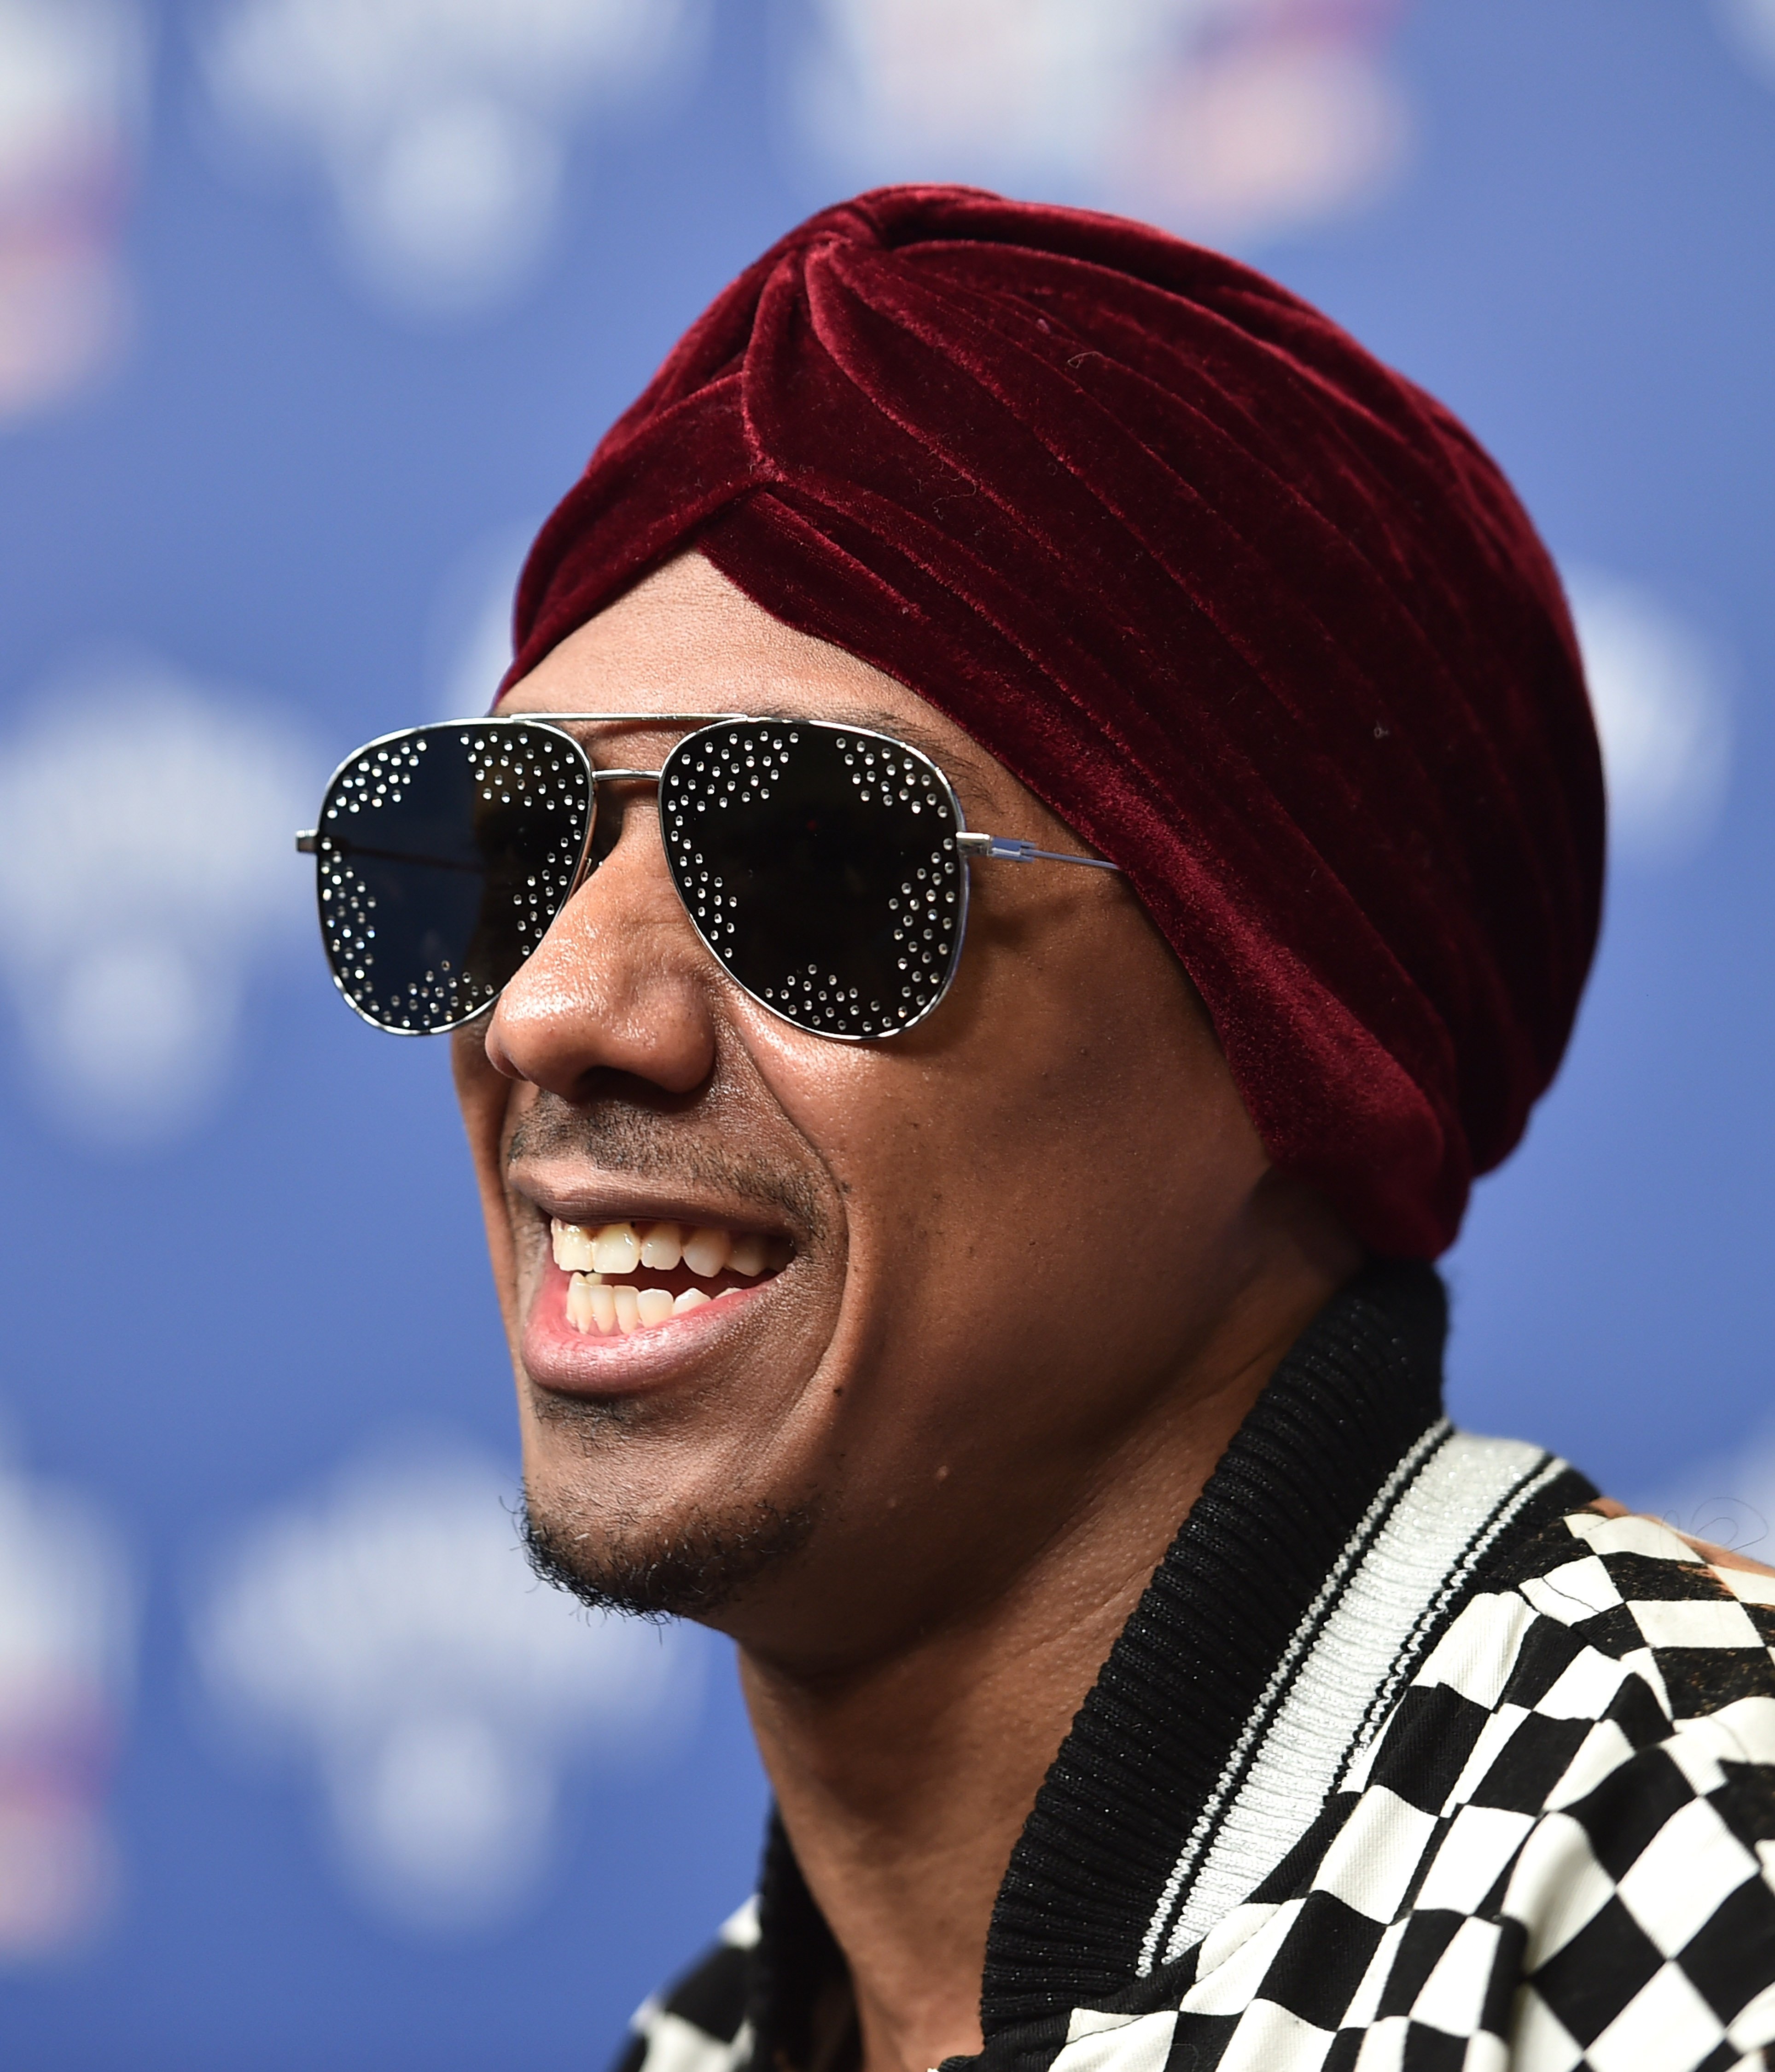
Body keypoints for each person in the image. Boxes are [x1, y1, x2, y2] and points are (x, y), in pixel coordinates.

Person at [303, 188, 1775, 2071]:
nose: (553, 1009)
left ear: (1286, 1038)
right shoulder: (711, 2042)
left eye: (816, 860)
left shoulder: (1697, 1886)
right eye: (508, 845)